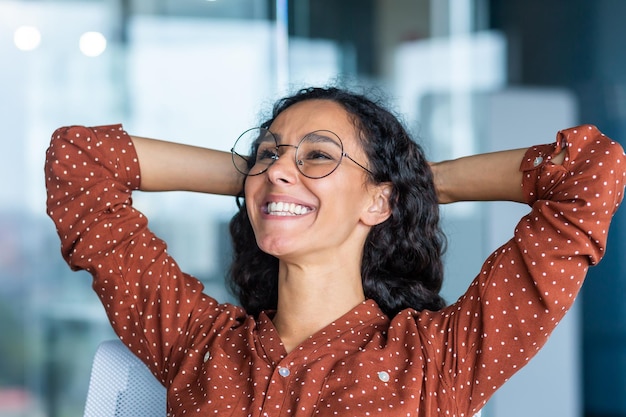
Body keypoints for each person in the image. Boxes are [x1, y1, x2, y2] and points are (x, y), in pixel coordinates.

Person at [45, 87, 625, 417]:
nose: (279, 171)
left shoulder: (438, 362)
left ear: (377, 202)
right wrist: (260, 181)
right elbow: (81, 161)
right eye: (267, 154)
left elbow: (589, 172)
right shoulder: (197, 341)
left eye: (318, 155)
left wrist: (415, 186)